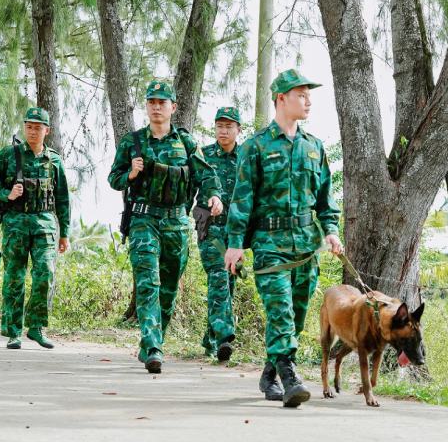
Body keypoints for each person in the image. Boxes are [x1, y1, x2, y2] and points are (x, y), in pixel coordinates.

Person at [224, 69, 343, 408]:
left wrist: (331, 231)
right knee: (280, 311)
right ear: (281, 98)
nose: (308, 100)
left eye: (309, 94)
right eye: (300, 94)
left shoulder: (314, 147)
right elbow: (242, 199)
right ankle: (290, 377)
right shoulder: (255, 147)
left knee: (299, 315)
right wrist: (234, 244)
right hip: (269, 244)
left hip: (306, 246)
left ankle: (269, 372)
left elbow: (325, 200)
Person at [108, 80, 223, 373]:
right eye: (152, 102)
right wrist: (130, 175)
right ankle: (153, 347)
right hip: (144, 220)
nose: (157, 107)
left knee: (168, 290)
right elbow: (114, 179)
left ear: (173, 107)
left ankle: (152, 342)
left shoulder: (186, 143)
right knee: (149, 283)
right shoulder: (132, 142)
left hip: (176, 222)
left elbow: (206, 175)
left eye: (162, 102)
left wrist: (213, 195)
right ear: (146, 106)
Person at [0, 108, 70, 350]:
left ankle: (36, 327)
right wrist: (7, 194)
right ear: (25, 128)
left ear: (47, 130)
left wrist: (64, 232)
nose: (33, 131)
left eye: (38, 127)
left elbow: (63, 198)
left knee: (45, 273)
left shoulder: (54, 160)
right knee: (14, 277)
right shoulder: (8, 155)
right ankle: (13, 331)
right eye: (29, 126)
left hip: (45, 224)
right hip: (15, 224)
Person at [196, 107, 243, 361]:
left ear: (238, 129)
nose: (223, 131)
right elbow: (189, 184)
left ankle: (210, 339)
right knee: (218, 276)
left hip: (235, 231)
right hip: (210, 227)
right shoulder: (203, 155)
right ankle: (225, 336)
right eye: (219, 126)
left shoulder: (246, 157)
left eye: (229, 126)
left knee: (229, 282)